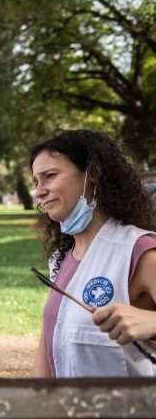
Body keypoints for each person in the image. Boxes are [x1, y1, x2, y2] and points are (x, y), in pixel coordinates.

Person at [30, 130, 156, 377]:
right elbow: (48, 341)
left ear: (92, 175)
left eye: (50, 176)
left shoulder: (139, 251)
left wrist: (152, 323)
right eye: (36, 181)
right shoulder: (62, 257)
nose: (38, 191)